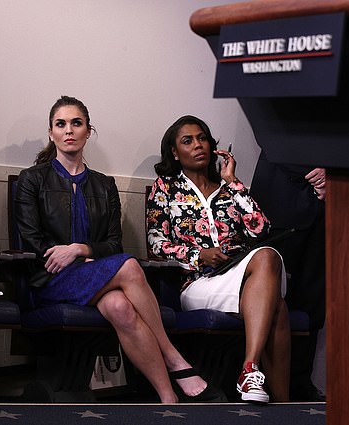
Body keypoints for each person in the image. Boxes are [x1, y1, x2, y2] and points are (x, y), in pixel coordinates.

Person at [14, 96, 220, 404]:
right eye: (61, 124)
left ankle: (168, 399)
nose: (69, 130)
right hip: (49, 279)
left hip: (94, 277)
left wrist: (78, 249)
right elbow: (32, 240)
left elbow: (113, 243)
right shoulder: (33, 179)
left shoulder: (104, 184)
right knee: (128, 266)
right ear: (51, 133)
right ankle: (174, 357)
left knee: (121, 308)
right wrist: (70, 256)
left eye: (76, 123)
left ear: (88, 131)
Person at [146, 115, 291, 403]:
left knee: (267, 255)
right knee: (278, 305)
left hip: (244, 274)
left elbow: (261, 229)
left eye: (202, 138)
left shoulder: (229, 188)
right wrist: (199, 255)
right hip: (199, 283)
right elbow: (156, 244)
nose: (198, 145)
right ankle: (272, 394)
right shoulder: (166, 188)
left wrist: (233, 182)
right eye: (187, 141)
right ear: (175, 153)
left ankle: (254, 375)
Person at [250, 157, 326, 402]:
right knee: (274, 300)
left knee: (314, 300)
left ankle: (301, 380)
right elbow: (272, 136)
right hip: (280, 200)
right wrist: (318, 172)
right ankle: (261, 381)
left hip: (327, 208)